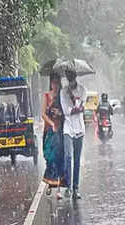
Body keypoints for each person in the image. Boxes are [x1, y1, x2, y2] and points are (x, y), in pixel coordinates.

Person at [60, 70, 87, 199]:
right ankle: (68, 187)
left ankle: (76, 188)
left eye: (71, 77)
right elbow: (66, 111)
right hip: (68, 129)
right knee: (68, 157)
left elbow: (82, 107)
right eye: (68, 77)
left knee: (77, 159)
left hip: (80, 129)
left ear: (75, 77)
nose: (70, 79)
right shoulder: (63, 92)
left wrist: (76, 107)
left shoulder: (83, 90)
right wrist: (76, 107)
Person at [41, 73, 64, 200]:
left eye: (57, 83)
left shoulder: (62, 96)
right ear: (51, 83)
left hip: (60, 131)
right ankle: (50, 184)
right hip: (49, 131)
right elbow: (43, 114)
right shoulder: (46, 96)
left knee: (60, 158)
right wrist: (51, 124)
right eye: (53, 83)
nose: (55, 85)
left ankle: (59, 187)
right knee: (50, 158)